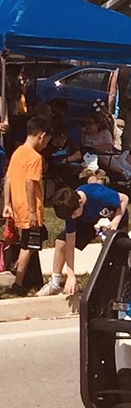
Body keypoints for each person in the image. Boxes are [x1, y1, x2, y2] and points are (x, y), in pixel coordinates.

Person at [45, 176, 129, 297]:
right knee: (61, 241)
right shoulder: (71, 210)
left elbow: (124, 199)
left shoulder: (98, 194)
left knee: (114, 251)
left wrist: (115, 221)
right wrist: (71, 275)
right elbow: (70, 243)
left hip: (115, 216)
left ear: (80, 202)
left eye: (73, 214)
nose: (72, 218)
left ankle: (117, 287)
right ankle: (55, 282)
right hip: (88, 221)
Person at [1, 115, 50, 295]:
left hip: (17, 205)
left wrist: (7, 203)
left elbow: (8, 178)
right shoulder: (35, 157)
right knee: (29, 245)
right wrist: (31, 210)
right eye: (46, 141)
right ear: (41, 136)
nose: (45, 145)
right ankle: (19, 282)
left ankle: (30, 277)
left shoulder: (18, 152)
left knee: (31, 241)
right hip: (31, 209)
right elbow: (30, 182)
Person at [68, 111, 131, 184]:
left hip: (111, 153)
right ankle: (124, 173)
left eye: (90, 124)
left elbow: (108, 145)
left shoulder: (105, 133)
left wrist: (94, 147)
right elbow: (84, 148)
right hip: (98, 158)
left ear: (97, 125)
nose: (87, 126)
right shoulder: (85, 135)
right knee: (104, 158)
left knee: (125, 155)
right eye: (85, 124)